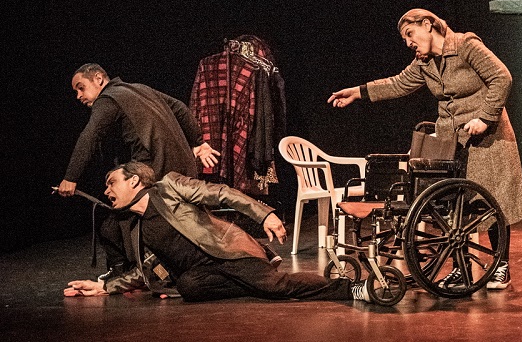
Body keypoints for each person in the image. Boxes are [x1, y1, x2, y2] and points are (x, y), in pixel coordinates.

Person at [328, 8, 522, 290]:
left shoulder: (466, 45)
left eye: (410, 34)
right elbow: (398, 83)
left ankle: (501, 266)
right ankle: (460, 268)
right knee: (456, 205)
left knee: (492, 201)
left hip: (486, 136)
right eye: (404, 39)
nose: (408, 42)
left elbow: (501, 77)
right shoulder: (425, 62)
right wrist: (359, 92)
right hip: (453, 141)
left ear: (428, 24)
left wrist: (485, 118)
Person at [64, 161, 367, 302]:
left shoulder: (168, 187)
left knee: (276, 287)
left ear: (134, 181)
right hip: (202, 274)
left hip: (229, 254)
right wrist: (105, 287)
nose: (107, 192)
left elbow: (222, 193)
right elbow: (145, 270)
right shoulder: (138, 228)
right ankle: (254, 286)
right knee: (187, 288)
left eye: (112, 183)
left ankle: (349, 289)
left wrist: (265, 215)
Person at [58, 63, 220, 197]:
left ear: (98, 78)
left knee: (124, 216)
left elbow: (90, 136)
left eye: (81, 88)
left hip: (155, 170)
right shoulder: (139, 88)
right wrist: (198, 142)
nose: (78, 96)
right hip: (186, 168)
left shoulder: (107, 99)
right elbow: (180, 108)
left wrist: (70, 177)